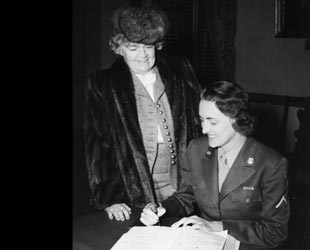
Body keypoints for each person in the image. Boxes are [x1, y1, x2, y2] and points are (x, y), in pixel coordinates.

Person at [83, 0, 202, 221]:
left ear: (157, 45)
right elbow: (98, 146)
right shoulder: (102, 84)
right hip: (132, 188)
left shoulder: (180, 71)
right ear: (118, 47)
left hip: (182, 184)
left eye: (148, 47)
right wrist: (109, 197)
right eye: (132, 48)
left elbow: (199, 126)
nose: (142, 55)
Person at [141, 81, 290, 250]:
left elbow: (275, 232)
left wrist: (218, 227)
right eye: (202, 120)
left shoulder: (271, 164)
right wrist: (161, 208)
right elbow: (186, 196)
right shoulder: (196, 149)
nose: (204, 129)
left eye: (212, 122)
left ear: (237, 119)